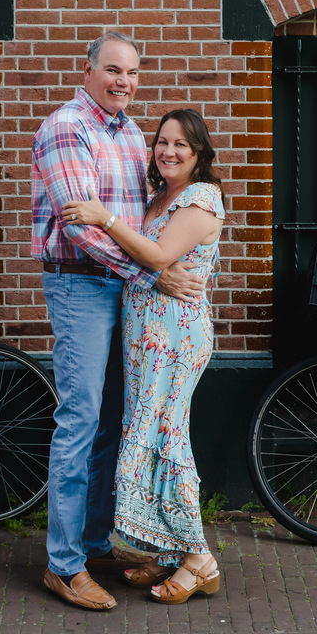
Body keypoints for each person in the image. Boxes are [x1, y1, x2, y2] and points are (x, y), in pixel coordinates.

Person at [31, 32, 204, 612]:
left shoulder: (130, 133)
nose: (123, 83)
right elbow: (81, 227)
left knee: (110, 420)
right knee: (79, 420)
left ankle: (94, 541)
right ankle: (63, 565)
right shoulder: (66, 128)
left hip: (121, 291)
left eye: (131, 74)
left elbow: (140, 218)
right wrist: (149, 274)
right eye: (112, 71)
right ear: (88, 72)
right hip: (81, 284)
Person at [62, 107, 224, 605]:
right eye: (162, 142)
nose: (168, 151)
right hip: (144, 341)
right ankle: (168, 550)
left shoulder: (200, 199)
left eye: (181, 145)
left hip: (174, 340)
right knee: (149, 436)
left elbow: (156, 258)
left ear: (199, 156)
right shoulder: (160, 198)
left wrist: (102, 217)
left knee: (168, 442)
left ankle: (199, 560)